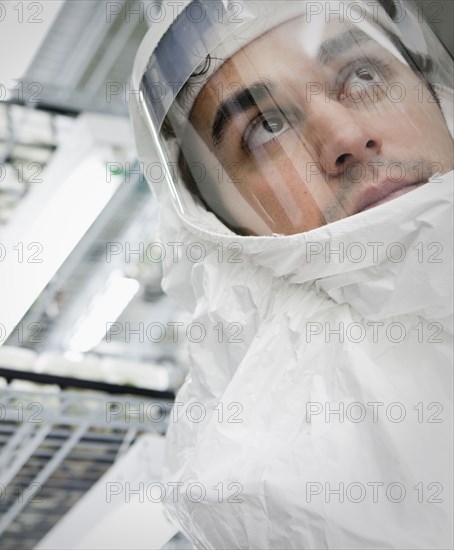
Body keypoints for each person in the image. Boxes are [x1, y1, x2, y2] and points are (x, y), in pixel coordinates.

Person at [130, 1, 453, 547]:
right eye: (266, 128)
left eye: (363, 74)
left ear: (433, 91)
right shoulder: (272, 502)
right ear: (220, 226)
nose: (347, 137)